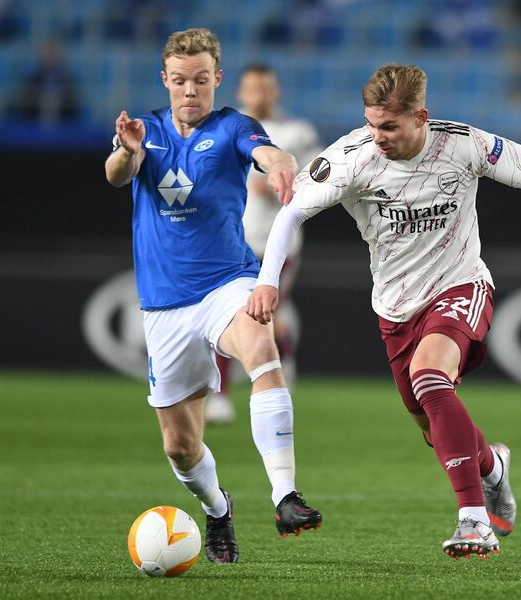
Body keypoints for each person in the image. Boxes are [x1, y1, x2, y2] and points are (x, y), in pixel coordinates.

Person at [247, 64, 521, 559]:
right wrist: (267, 281)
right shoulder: (351, 158)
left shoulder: (462, 145)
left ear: (420, 117)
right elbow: (293, 210)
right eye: (371, 124)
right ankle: (492, 466)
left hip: (461, 285)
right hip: (394, 307)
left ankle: (473, 521)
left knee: (431, 376)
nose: (377, 136)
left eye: (389, 126)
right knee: (432, 427)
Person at [104, 27, 322, 564]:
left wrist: (280, 166)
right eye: (180, 81)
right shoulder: (145, 130)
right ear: (166, 80)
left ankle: (285, 495)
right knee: (180, 447)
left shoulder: (232, 126)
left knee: (261, 348)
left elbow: (268, 151)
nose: (191, 90)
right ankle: (218, 508)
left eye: (201, 80)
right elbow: (115, 175)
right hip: (164, 304)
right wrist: (126, 153)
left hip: (227, 281)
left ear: (216, 79)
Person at [205, 63, 322, 424]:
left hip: (279, 243)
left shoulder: (297, 133)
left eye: (265, 88)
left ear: (276, 91)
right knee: (231, 314)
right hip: (232, 240)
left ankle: (279, 357)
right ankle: (222, 395)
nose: (259, 95)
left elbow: (323, 178)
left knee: (262, 314)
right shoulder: (226, 127)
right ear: (241, 92)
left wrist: (285, 184)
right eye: (252, 89)